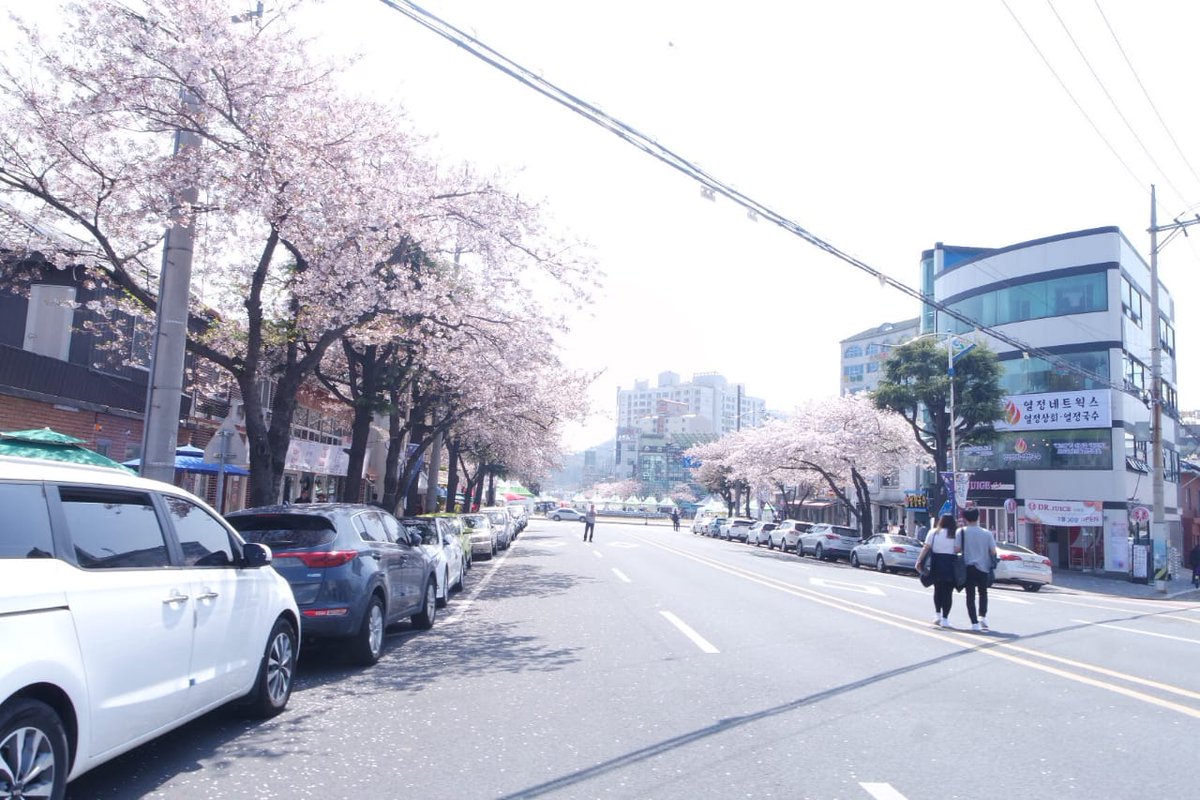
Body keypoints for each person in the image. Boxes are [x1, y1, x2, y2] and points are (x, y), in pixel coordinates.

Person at [917, 514, 962, 628]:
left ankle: (937, 615)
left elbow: (926, 547)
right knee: (948, 592)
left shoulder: (933, 533)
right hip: (950, 564)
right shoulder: (956, 534)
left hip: (936, 563)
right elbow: (957, 549)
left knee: (937, 590)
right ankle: (945, 619)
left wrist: (919, 561)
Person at [960, 507, 998, 632]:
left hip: (968, 567)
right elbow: (993, 551)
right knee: (983, 593)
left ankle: (974, 623)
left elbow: (956, 549)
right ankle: (982, 617)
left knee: (970, 596)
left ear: (965, 518)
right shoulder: (987, 533)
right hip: (984, 567)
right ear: (978, 517)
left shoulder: (961, 532)